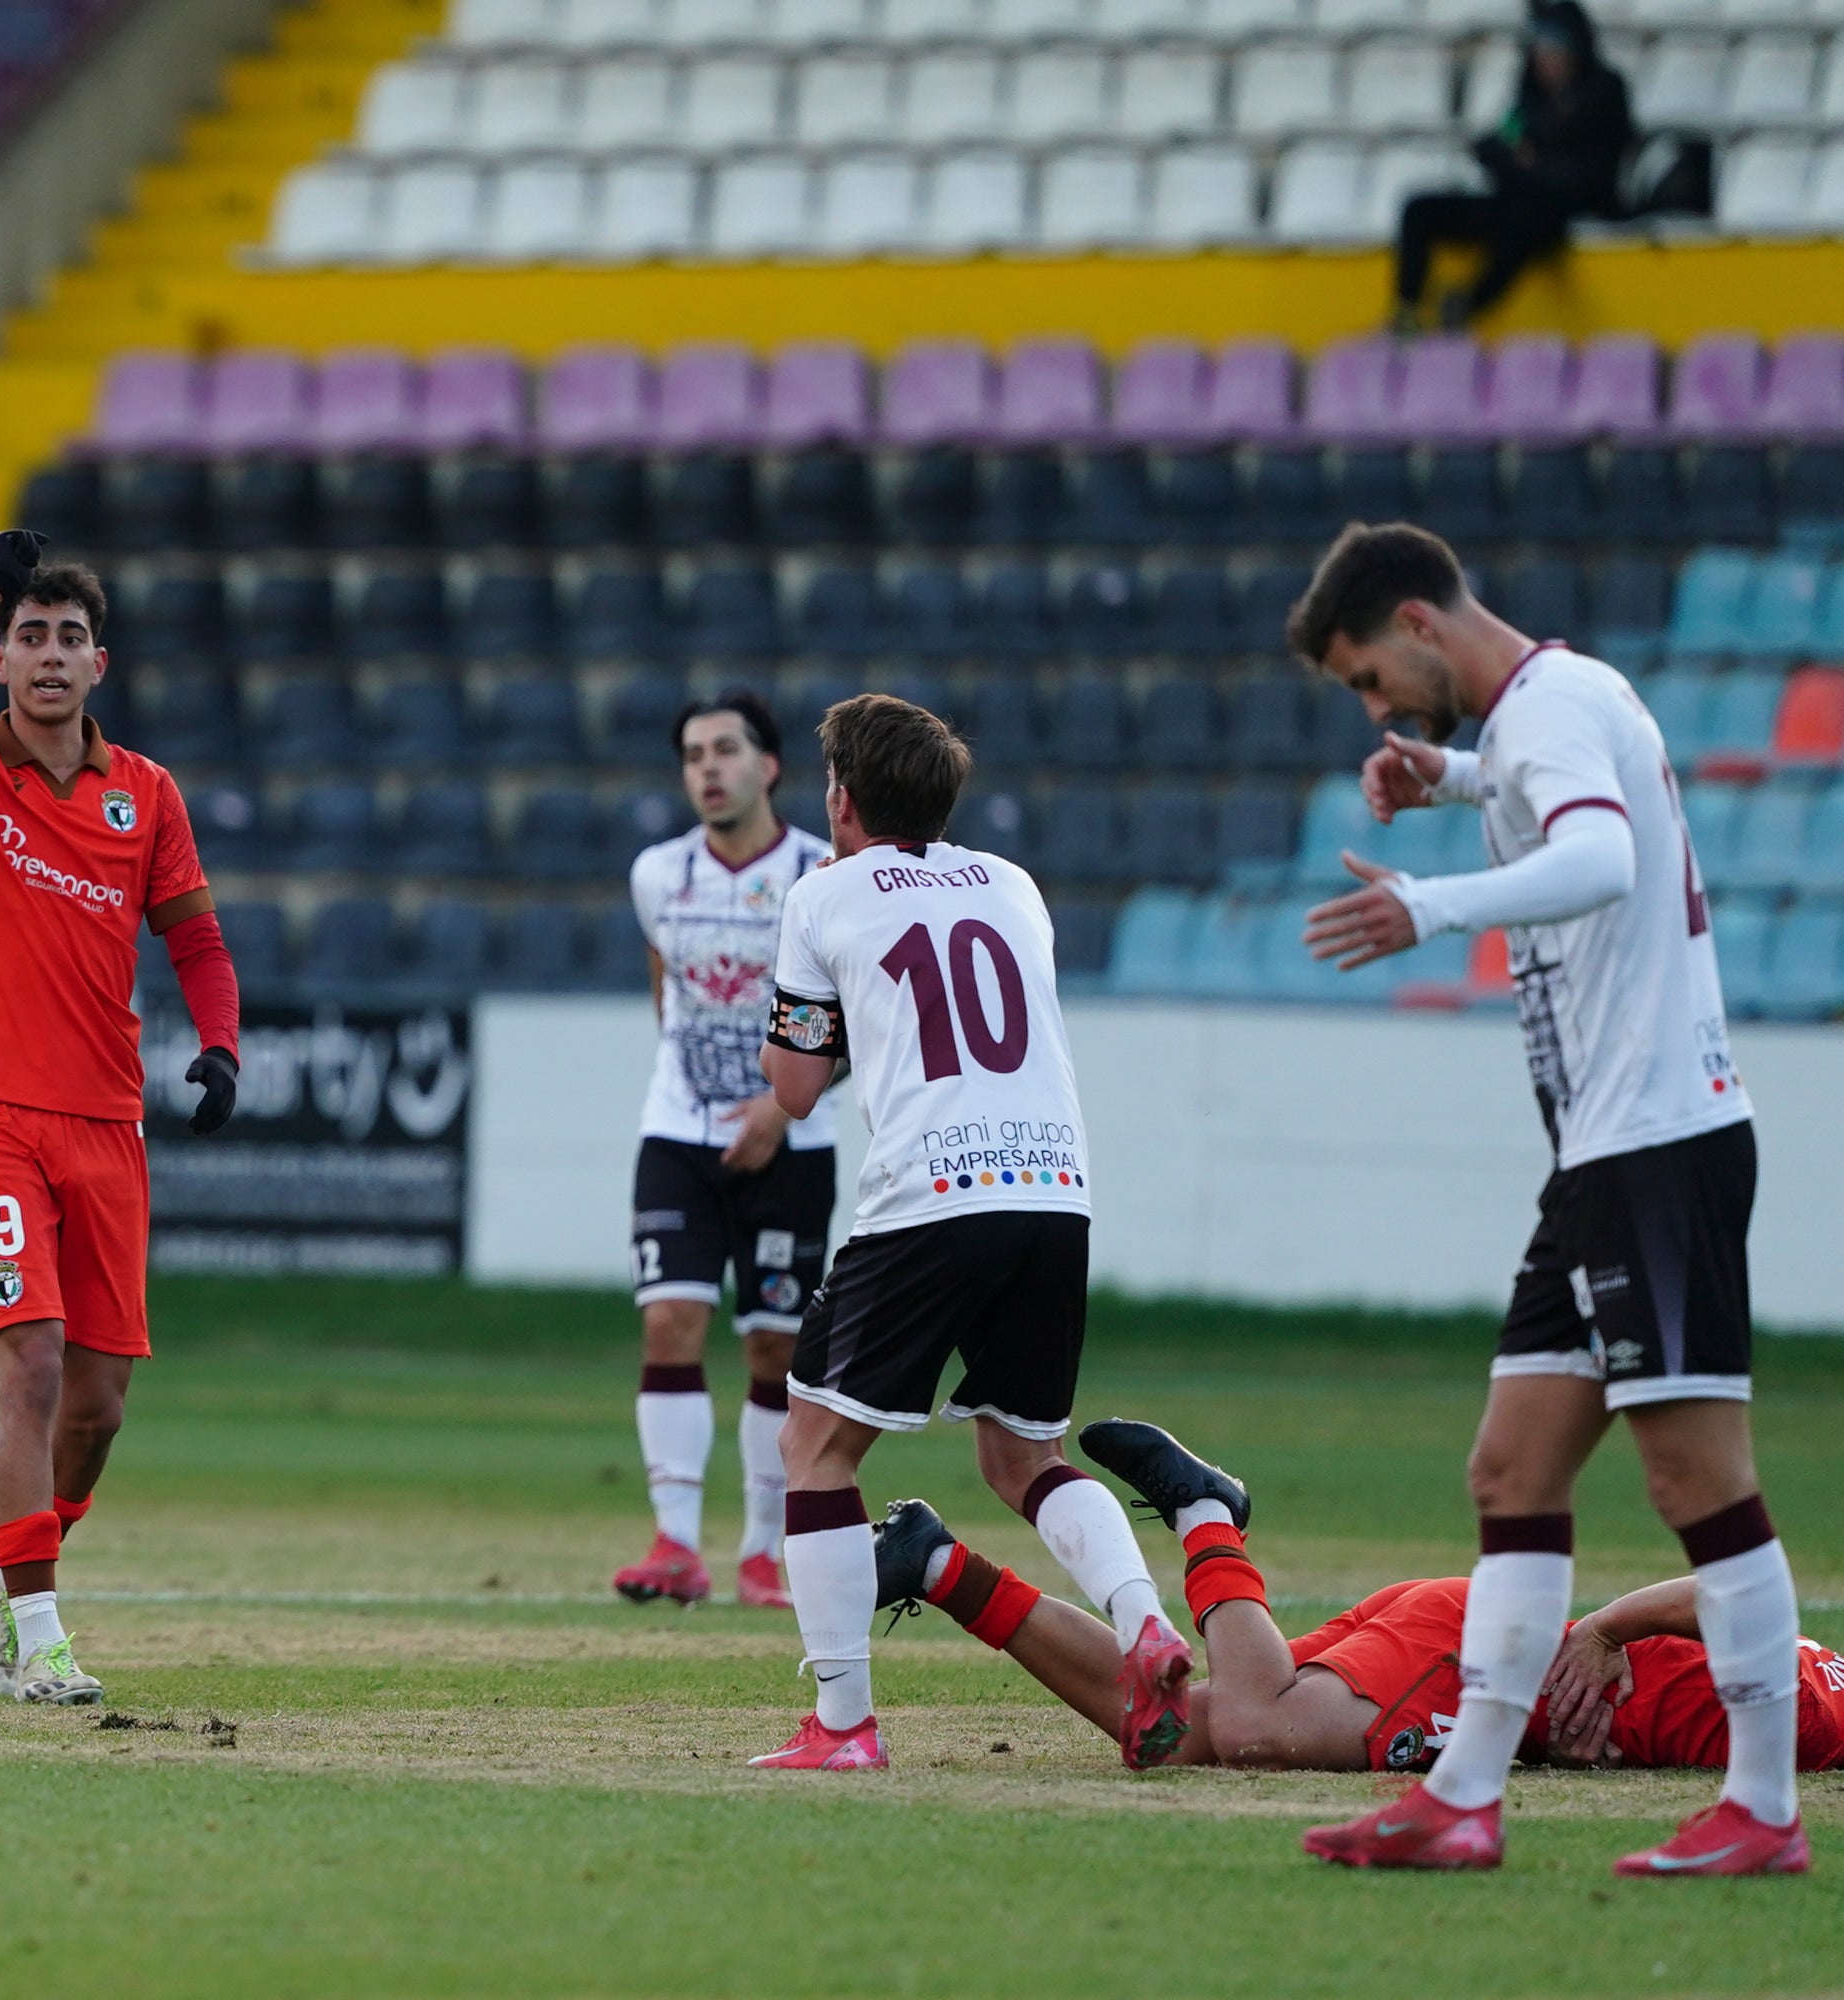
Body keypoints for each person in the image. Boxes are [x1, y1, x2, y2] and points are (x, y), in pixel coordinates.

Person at [1284, 522, 1798, 1876]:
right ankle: (1462, 1796)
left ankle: (1764, 1807)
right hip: (1601, 1160)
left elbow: (1601, 859)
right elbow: (1540, 794)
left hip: (1658, 1144)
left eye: (1367, 680)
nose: (1373, 706)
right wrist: (1445, 775)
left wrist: (1432, 907)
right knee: (1511, 1469)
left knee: (1697, 1475)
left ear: (1415, 621)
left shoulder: (1556, 704)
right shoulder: (1531, 719)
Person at [744, 693, 1192, 1774]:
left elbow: (796, 1086)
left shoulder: (822, 894)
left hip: (933, 1190)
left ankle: (844, 1724)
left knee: (812, 1443)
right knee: (1022, 1451)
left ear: (842, 799)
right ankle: (1141, 1618)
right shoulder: (1014, 884)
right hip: (1054, 1185)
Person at [0, 533, 241, 1710]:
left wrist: (222, 1041)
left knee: (100, 1401)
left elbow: (194, 937)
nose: (47, 654)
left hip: (105, 1119)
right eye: (26, 635)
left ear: (99, 663)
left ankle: (16, 1559)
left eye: (67, 637)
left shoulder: (151, 792)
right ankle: (38, 1636)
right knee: (26, 1359)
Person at [879, 1421, 1840, 1804]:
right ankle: (1206, 1512)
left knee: (1182, 1734)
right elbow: (1740, 1591)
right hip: (1480, 1659)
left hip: (1482, 1663)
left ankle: (935, 1564)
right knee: (1260, 1727)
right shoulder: (1826, 1715)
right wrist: (1601, 1633)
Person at [614, 691, 836, 1613]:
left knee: (775, 1347)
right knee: (669, 1322)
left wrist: (779, 1109)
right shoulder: (658, 874)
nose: (707, 768)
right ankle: (673, 1544)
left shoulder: (823, 876)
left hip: (793, 1141)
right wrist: (703, 1083)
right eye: (693, 754)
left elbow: (857, 1021)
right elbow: (665, 987)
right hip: (677, 1133)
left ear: (769, 767)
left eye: (725, 750)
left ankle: (757, 1551)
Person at [1391, 1, 1631, 333]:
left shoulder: (1603, 91)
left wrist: (1530, 162)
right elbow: (1495, 143)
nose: (1545, 58)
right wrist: (1527, 161)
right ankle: (1407, 311)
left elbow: (1586, 172)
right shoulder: (1529, 97)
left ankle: (1468, 305)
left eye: (1554, 47)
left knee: (1525, 221)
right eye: (1539, 49)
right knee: (1419, 209)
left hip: (1562, 209)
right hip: (1516, 198)